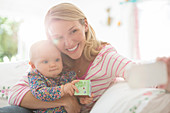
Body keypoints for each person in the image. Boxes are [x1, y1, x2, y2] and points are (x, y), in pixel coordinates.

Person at [1, 2, 169, 113]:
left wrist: (163, 75)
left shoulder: (105, 58)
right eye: (58, 37)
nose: (68, 43)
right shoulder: (53, 57)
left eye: (73, 31)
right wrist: (66, 100)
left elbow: (134, 72)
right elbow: (15, 93)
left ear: (85, 25)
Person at [27, 40, 93, 112]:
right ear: (33, 65)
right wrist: (62, 89)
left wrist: (80, 99)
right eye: (45, 61)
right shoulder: (35, 76)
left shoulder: (67, 75)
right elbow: (39, 93)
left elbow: (72, 93)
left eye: (57, 59)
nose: (53, 64)